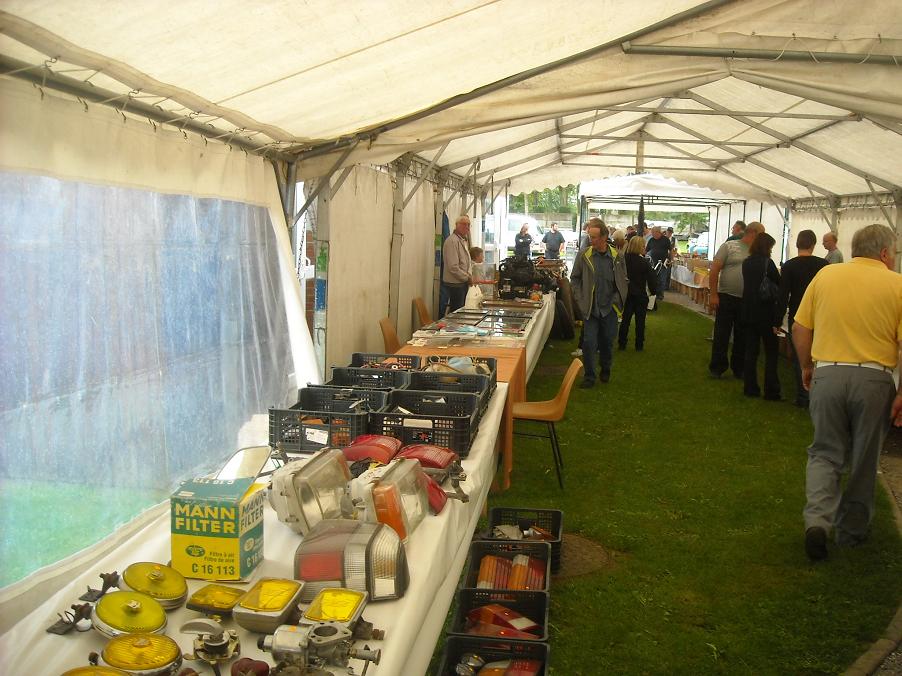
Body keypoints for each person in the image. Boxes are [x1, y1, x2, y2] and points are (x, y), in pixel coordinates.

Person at [792, 223, 902, 560]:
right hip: (875, 380)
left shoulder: (826, 275)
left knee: (824, 453)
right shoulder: (897, 284)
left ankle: (817, 521)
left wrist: (806, 366)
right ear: (884, 252)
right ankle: (851, 532)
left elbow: (800, 327)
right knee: (864, 458)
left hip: (828, 373)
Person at [570, 220, 627, 387]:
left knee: (607, 342)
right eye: (590, 236)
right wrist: (581, 300)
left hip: (609, 308)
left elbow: (623, 281)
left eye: (594, 237)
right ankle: (589, 376)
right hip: (591, 309)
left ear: (604, 237)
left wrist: (617, 301)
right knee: (589, 343)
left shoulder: (617, 257)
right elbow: (575, 279)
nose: (591, 240)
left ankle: (605, 368)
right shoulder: (584, 255)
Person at [775, 230, 828, 408]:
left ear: (798, 244)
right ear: (813, 244)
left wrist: (777, 320)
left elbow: (783, 296)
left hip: (798, 315)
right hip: (819, 315)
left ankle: (803, 395)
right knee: (819, 356)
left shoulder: (789, 266)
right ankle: (819, 394)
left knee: (800, 356)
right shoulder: (823, 265)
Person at [708, 221, 765, 379]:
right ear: (753, 232)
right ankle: (717, 367)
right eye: (761, 234)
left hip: (747, 300)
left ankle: (738, 368)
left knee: (742, 336)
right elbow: (714, 270)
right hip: (726, 296)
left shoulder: (758, 252)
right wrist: (713, 294)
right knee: (722, 334)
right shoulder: (729, 246)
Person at [740, 232, 782, 400]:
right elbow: (778, 282)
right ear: (767, 247)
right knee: (771, 351)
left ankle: (750, 387)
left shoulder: (746, 263)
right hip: (765, 312)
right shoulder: (767, 263)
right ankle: (771, 390)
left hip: (749, 311)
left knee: (751, 351)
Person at [618, 235, 657, 351]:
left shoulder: (623, 260)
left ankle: (622, 343)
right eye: (643, 246)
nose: (645, 248)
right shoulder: (644, 262)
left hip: (627, 294)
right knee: (640, 321)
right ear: (639, 247)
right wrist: (653, 291)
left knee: (625, 320)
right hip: (640, 294)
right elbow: (651, 279)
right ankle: (639, 345)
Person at [441, 215, 473, 312]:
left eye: (468, 225)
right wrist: (467, 277)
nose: (467, 227)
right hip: (455, 284)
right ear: (457, 225)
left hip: (461, 283)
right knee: (457, 312)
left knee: (460, 311)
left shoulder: (462, 240)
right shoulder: (452, 241)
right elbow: (453, 267)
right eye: (464, 224)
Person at [645, 226, 671, 308]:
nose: (652, 234)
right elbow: (646, 250)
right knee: (654, 279)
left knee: (662, 280)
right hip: (653, 263)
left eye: (653, 233)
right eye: (652, 233)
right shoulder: (651, 240)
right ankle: (654, 294)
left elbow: (671, 250)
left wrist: (670, 259)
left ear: (658, 232)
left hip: (663, 263)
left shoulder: (665, 240)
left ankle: (660, 296)